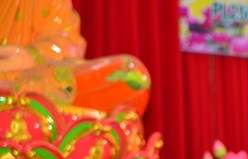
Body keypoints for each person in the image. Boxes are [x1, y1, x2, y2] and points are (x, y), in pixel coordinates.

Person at [0, 0, 150, 115]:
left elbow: (66, 43)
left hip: (38, 79)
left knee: (130, 76)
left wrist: (31, 56)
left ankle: (27, 101)